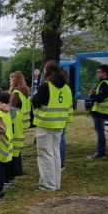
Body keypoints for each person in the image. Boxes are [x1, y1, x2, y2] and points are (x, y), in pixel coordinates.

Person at [32, 60, 73, 191]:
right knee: (56, 154)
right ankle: (56, 183)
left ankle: (48, 185)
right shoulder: (67, 88)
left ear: (47, 71)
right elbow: (69, 108)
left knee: (45, 155)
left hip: (45, 124)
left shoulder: (46, 86)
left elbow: (36, 102)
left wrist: (34, 95)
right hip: (59, 125)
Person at [87, 65, 108, 159]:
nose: (97, 74)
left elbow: (100, 99)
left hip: (100, 111)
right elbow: (103, 96)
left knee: (100, 132)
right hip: (104, 111)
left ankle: (101, 152)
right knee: (100, 132)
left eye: (99, 72)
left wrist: (92, 95)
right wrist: (95, 94)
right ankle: (101, 152)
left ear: (105, 73)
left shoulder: (104, 84)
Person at [1, 91, 24, 186]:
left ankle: (5, 181)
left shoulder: (5, 114)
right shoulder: (17, 113)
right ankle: (9, 179)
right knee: (13, 162)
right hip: (17, 141)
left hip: (9, 141)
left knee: (6, 162)